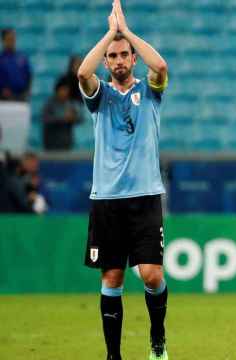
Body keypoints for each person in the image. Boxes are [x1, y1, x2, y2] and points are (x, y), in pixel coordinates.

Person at [77, 1, 170, 359]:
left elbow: (160, 65)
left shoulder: (150, 91)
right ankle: (113, 356)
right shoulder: (99, 97)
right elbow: (83, 73)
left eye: (123, 55)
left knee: (150, 275)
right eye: (112, 56)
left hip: (145, 197)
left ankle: (157, 337)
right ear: (107, 61)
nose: (117, 60)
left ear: (133, 59)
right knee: (111, 278)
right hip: (107, 200)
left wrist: (126, 31)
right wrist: (110, 34)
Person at [42, 80, 82, 150]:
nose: (64, 93)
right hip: (52, 140)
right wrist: (63, 118)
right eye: (63, 90)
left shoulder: (71, 104)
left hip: (66, 141)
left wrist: (73, 118)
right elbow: (46, 119)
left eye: (66, 90)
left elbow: (79, 119)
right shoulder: (49, 104)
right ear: (57, 90)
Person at [0, 28, 32, 101]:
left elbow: (29, 76)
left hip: (21, 96)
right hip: (4, 98)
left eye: (13, 39)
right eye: (9, 39)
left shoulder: (22, 58)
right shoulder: (1, 59)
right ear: (3, 40)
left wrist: (27, 91)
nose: (11, 42)